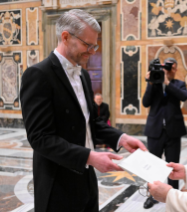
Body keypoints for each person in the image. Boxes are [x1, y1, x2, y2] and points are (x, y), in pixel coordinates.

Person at [20, 9, 146, 212]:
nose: (93, 51)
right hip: (57, 184)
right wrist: (90, 157)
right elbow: (40, 138)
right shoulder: (39, 75)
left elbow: (91, 123)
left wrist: (121, 138)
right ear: (65, 37)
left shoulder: (83, 76)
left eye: (95, 45)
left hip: (86, 178)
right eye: (88, 45)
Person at [142, 57, 187, 209]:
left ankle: (173, 196)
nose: (170, 71)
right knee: (153, 166)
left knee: (172, 166)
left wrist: (167, 83)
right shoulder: (154, 84)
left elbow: (184, 96)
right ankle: (152, 195)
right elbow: (146, 102)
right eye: (168, 68)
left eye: (173, 68)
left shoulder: (178, 84)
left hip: (173, 131)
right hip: (155, 131)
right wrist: (150, 83)